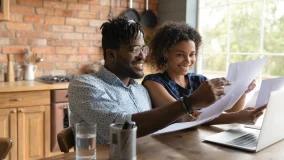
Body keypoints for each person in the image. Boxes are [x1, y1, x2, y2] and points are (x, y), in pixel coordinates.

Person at [68, 17, 232, 145]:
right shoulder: (84, 85)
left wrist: (188, 116)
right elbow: (122, 127)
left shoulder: (140, 90)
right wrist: (189, 102)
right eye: (134, 49)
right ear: (111, 55)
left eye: (143, 48)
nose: (142, 56)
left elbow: (163, 122)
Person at [142, 21, 266, 125]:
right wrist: (237, 117)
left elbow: (230, 110)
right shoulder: (153, 83)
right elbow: (186, 116)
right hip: (169, 144)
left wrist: (243, 91)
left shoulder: (199, 81)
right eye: (180, 55)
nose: (187, 61)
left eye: (192, 54)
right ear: (165, 53)